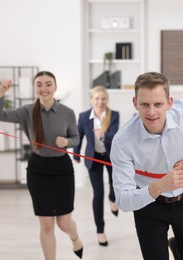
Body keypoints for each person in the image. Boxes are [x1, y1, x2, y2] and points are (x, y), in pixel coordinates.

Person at [110, 72, 183, 260]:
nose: (151, 112)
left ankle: (178, 247)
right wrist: (161, 185)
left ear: (169, 103)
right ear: (135, 103)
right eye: (144, 104)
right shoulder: (122, 141)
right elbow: (124, 201)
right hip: (149, 206)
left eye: (158, 104)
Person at [0, 71, 84, 259]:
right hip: (38, 170)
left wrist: (67, 142)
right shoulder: (26, 111)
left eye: (48, 84)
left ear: (55, 87)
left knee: (64, 223)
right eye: (39, 84)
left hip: (62, 170)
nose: (44, 88)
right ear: (35, 88)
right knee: (46, 224)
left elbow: (76, 138)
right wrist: (1, 93)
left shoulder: (67, 113)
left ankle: (75, 238)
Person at [73, 86, 120, 246]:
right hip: (93, 158)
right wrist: (76, 153)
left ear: (107, 100)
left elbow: (115, 136)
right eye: (97, 98)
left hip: (110, 156)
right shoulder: (84, 116)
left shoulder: (114, 115)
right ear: (91, 100)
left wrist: (104, 135)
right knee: (98, 194)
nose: (100, 102)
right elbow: (79, 135)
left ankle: (113, 199)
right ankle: (100, 231)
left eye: (103, 99)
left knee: (115, 186)